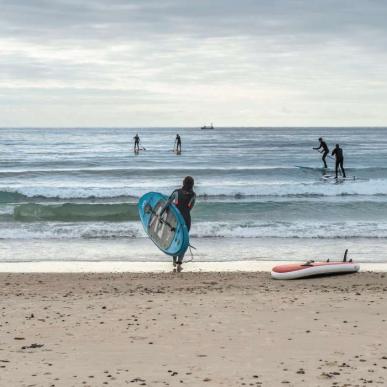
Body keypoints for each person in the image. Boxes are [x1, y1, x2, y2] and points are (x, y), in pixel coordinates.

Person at [160, 176, 196, 272]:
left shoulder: (176, 192)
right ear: (192, 184)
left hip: (175, 219)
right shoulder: (193, 195)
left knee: (173, 238)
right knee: (183, 240)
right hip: (186, 220)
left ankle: (174, 260)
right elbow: (190, 207)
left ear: (183, 182)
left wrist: (161, 213)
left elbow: (167, 203)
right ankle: (179, 263)